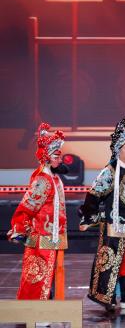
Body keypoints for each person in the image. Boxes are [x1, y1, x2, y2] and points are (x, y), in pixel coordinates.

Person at [79, 117, 125, 311]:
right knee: (111, 263)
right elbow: (93, 195)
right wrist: (90, 216)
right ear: (118, 149)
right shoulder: (109, 172)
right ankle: (106, 297)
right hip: (113, 227)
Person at [8, 123, 68, 300]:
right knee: (38, 278)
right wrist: (20, 228)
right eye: (56, 156)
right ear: (46, 157)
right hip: (42, 239)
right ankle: (36, 310)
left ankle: (46, 308)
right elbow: (27, 207)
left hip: (53, 237)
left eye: (60, 155)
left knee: (50, 278)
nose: (60, 160)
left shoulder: (53, 178)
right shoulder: (43, 181)